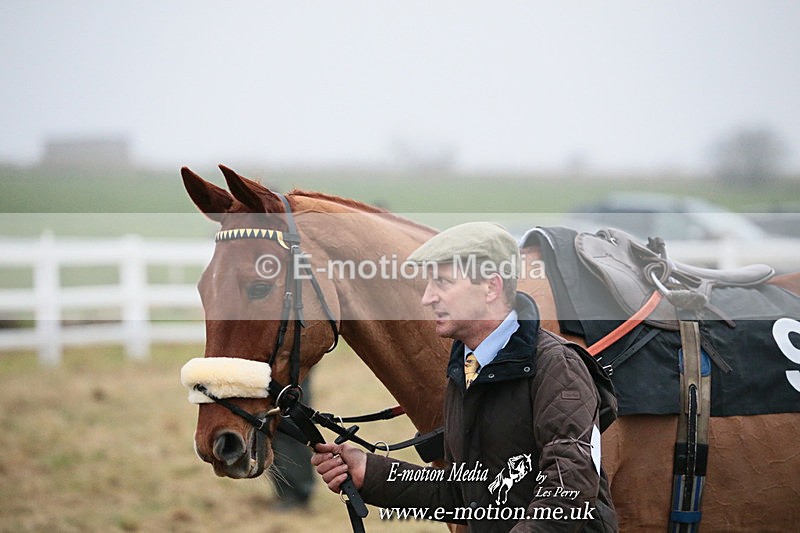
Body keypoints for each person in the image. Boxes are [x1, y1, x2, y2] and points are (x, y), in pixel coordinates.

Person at [312, 222, 618, 532]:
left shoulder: (558, 367)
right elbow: (465, 492)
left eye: (442, 283)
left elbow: (568, 494)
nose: (427, 298)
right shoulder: (466, 369)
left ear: (491, 287)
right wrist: (371, 472)